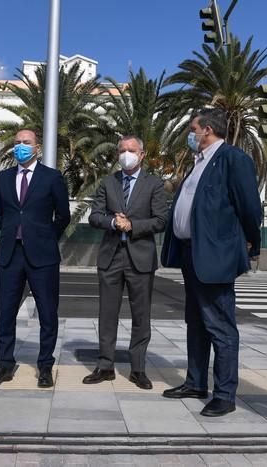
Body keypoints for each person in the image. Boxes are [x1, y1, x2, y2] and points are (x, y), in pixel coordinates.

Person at [161, 108, 261, 417]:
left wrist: (248, 243)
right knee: (196, 322)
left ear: (206, 130)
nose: (190, 135)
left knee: (220, 325)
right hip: (191, 253)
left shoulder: (233, 159)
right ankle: (195, 382)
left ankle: (225, 393)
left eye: (193, 129)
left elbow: (250, 207)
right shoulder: (198, 164)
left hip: (215, 255)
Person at [0, 129, 70, 388]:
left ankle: (44, 365)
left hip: (43, 255)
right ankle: (5, 364)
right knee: (6, 311)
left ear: (37, 147)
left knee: (47, 313)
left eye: (26, 143)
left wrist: (44, 236)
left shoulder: (52, 177)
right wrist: (14, 233)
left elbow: (63, 216)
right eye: (17, 143)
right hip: (11, 254)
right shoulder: (3, 177)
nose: (21, 147)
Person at [83, 136, 167, 389]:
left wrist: (132, 226)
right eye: (122, 150)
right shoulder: (108, 182)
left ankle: (138, 368)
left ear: (141, 155)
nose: (126, 154)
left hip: (140, 257)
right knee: (107, 314)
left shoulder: (154, 184)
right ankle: (105, 365)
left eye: (131, 150)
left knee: (141, 315)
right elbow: (94, 215)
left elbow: (161, 219)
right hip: (111, 256)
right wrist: (112, 222)